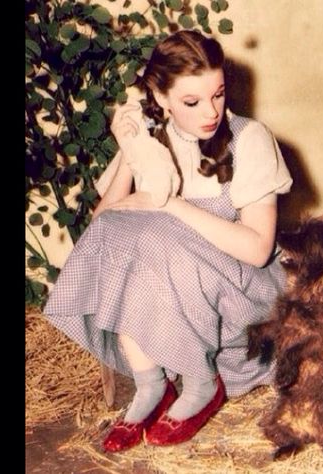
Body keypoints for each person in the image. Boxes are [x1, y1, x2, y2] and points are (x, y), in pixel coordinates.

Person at [44, 29, 293, 452]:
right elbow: (100, 234)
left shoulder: (249, 138)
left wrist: (168, 203)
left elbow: (257, 250)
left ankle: (201, 382)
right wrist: (130, 149)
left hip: (243, 296)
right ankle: (152, 385)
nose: (210, 112)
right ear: (159, 98)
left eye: (217, 94)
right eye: (191, 102)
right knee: (120, 238)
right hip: (172, 291)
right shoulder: (154, 139)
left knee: (155, 238)